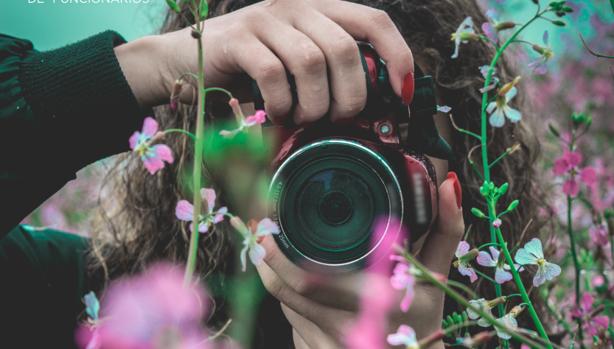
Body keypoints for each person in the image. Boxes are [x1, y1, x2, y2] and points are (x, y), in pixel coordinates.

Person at [0, 0, 547, 348]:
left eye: (386, 126)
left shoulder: (524, 334)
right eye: (295, 123)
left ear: (469, 151)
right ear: (211, 144)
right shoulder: (104, 310)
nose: (339, 168)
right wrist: (150, 67)